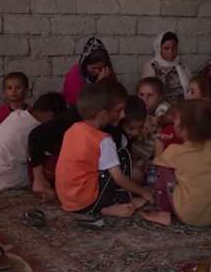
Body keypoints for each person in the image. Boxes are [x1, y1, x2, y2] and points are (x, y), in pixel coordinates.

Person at [56, 83, 153, 217]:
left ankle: (105, 206)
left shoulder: (72, 130)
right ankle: (106, 206)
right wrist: (143, 192)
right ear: (103, 114)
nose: (121, 116)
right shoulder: (103, 140)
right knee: (122, 155)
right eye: (118, 111)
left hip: (67, 200)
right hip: (86, 201)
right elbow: (118, 178)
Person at [28, 80, 127, 201]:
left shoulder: (112, 127)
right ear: (104, 110)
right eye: (119, 110)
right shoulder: (73, 118)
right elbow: (35, 137)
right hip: (65, 177)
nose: (123, 115)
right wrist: (39, 178)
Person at [142, 100, 211, 226]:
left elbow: (157, 165)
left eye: (175, 120)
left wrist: (159, 147)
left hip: (187, 214)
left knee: (162, 171)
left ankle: (164, 213)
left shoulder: (174, 151)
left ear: (185, 128)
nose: (173, 123)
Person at [0, 93, 66, 190]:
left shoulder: (17, 114)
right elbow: (38, 156)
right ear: (50, 115)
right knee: (50, 168)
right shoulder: (36, 129)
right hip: (4, 179)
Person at [141, 31, 191, 104]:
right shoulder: (151, 66)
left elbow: (189, 88)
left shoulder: (181, 65)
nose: (171, 52)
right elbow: (146, 93)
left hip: (182, 108)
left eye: (174, 48)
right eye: (166, 48)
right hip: (159, 110)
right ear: (158, 48)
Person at [63, 37, 114, 106]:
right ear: (85, 64)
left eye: (101, 68)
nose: (97, 72)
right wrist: (98, 84)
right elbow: (82, 105)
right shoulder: (74, 76)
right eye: (94, 68)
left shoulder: (106, 72)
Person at [132, 77, 168, 162]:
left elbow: (159, 119)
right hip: (142, 149)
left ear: (160, 97)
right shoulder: (140, 108)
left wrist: (149, 121)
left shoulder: (163, 107)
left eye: (150, 95)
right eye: (141, 95)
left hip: (157, 151)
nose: (145, 99)